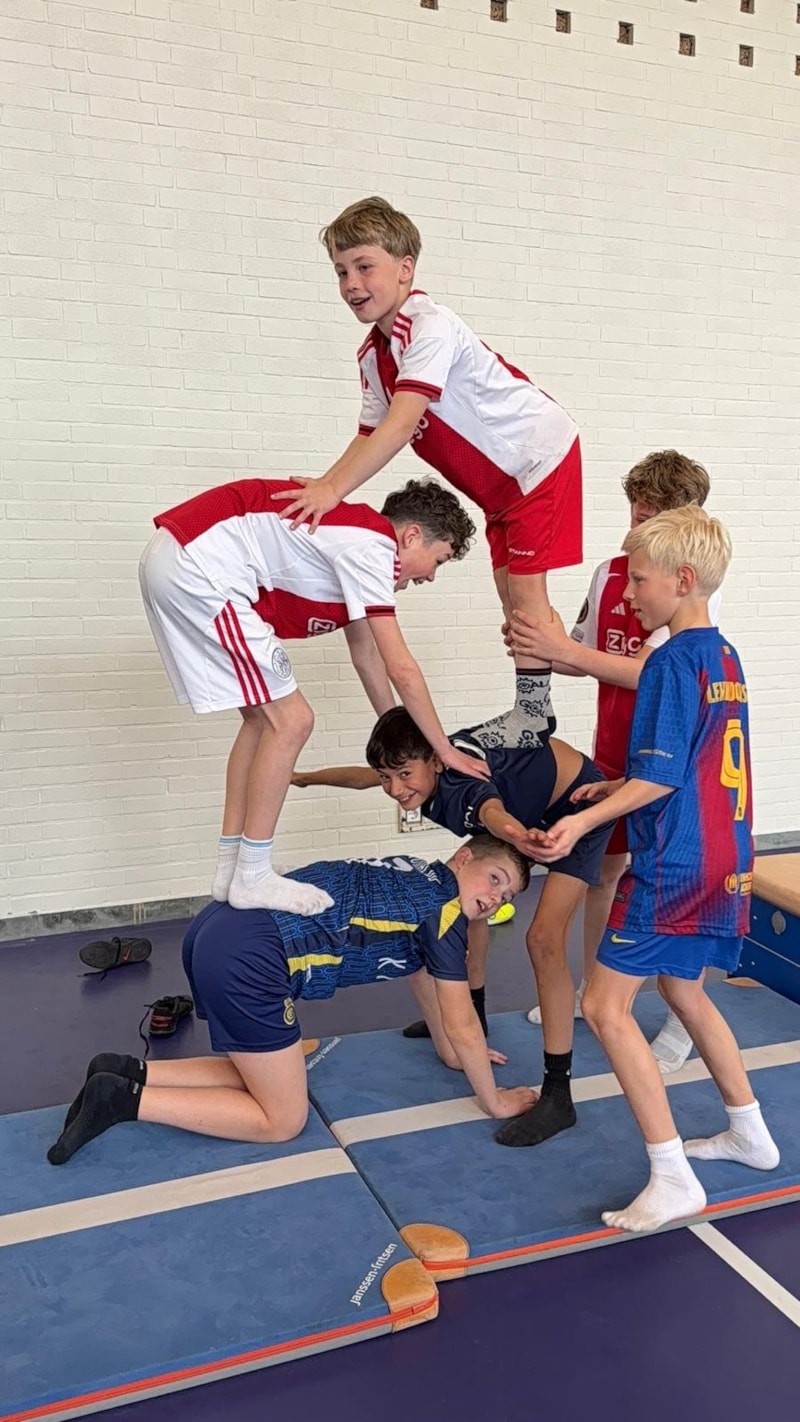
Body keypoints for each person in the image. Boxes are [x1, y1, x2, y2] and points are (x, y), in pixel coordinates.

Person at [530, 505, 779, 1229]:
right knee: (685, 990)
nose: (629, 593)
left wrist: (582, 820)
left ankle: (671, 1176)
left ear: (683, 579)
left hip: (675, 861)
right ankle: (749, 1132)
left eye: (639, 581)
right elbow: (695, 759)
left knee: (604, 1008)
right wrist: (617, 784)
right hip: (725, 850)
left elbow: (664, 779)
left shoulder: (668, 660)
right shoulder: (722, 655)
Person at [271, 195, 582, 752]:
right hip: (499, 489)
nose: (351, 283)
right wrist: (325, 488)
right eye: (341, 271)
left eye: (364, 266)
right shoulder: (374, 353)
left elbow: (399, 426)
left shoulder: (430, 326)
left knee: (526, 598)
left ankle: (535, 715)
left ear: (405, 268)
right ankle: (550, 679)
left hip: (538, 460)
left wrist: (331, 490)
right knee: (511, 601)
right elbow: (368, 434)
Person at [47, 837, 537, 1165]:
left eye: (507, 896)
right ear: (463, 858)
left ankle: (127, 1070)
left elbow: (421, 974)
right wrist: (493, 1101)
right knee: (282, 1118)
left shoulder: (415, 872)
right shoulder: (445, 912)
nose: (496, 899)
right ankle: (124, 1100)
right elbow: (464, 1023)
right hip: (251, 955)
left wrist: (451, 1053)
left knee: (264, 1073)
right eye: (495, 879)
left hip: (218, 927)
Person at [139, 475, 489, 916]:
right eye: (438, 560)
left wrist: (404, 739)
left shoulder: (354, 547)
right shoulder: (375, 546)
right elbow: (401, 667)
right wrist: (445, 750)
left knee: (262, 721)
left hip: (178, 559)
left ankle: (232, 867)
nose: (432, 576)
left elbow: (368, 657)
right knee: (293, 720)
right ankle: (253, 873)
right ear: (411, 536)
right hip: (199, 566)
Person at [293, 704, 614, 1147]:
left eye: (404, 775)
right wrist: (304, 777)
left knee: (543, 939)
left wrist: (516, 834)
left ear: (436, 762)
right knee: (464, 903)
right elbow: (363, 776)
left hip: (576, 802)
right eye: (388, 777)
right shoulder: (420, 769)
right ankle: (474, 1017)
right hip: (521, 807)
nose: (394, 788)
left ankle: (559, 1093)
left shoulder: (463, 788)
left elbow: (491, 811)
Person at [509, 450, 720, 1074]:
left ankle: (684, 1011)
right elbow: (583, 652)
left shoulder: (689, 589)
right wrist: (539, 644)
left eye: (652, 516)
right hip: (614, 745)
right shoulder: (611, 574)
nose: (638, 525)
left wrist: (565, 650)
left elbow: (653, 672)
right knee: (602, 871)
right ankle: (591, 989)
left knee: (673, 877)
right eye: (635, 511)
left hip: (672, 753)